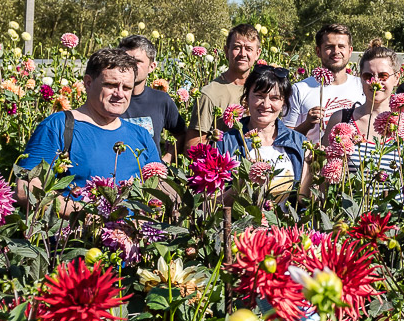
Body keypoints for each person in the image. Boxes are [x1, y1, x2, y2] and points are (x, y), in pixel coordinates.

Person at [17, 48, 158, 212]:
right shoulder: (59, 126)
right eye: (111, 85)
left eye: (127, 87)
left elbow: (158, 186)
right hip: (77, 234)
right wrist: (87, 216)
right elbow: (26, 189)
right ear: (88, 83)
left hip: (132, 235)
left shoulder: (140, 135)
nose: (120, 94)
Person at [214, 64, 313, 202]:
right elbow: (212, 205)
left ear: (283, 102)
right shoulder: (226, 143)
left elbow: (302, 202)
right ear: (247, 98)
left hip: (284, 222)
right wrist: (242, 183)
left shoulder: (299, 143)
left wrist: (313, 169)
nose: (266, 104)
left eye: (274, 98)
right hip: (240, 222)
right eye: (259, 96)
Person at [323, 45, 404, 185]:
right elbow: (325, 176)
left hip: (393, 206)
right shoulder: (341, 120)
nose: (375, 81)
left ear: (396, 78)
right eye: (368, 76)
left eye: (383, 76)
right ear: (360, 78)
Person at [184, 22, 261, 152]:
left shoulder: (262, 89)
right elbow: (191, 145)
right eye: (237, 47)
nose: (242, 53)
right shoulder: (210, 93)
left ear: (257, 54)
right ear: (226, 51)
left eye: (248, 49)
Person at [282, 23, 364, 142]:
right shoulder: (299, 89)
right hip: (314, 159)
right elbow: (285, 139)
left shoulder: (362, 86)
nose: (336, 51)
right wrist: (307, 124)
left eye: (341, 46)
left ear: (350, 51)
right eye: (329, 47)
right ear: (318, 51)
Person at [118, 34, 184, 160]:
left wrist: (167, 159)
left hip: (150, 176)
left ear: (152, 67)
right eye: (125, 60)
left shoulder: (161, 100)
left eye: (137, 61)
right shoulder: (109, 99)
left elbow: (181, 134)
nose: (130, 65)